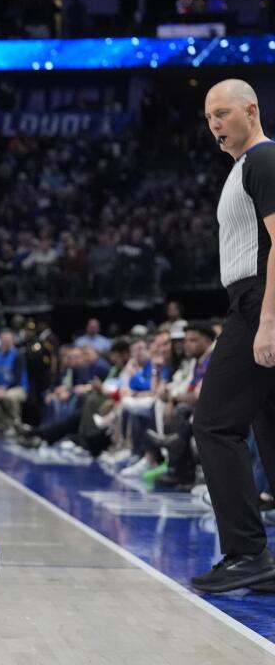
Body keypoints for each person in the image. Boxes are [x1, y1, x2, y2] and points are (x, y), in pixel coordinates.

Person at [191, 78, 275, 592]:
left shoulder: (264, 161)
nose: (215, 125)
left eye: (223, 113)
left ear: (252, 110)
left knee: (214, 424)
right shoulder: (246, 168)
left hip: (258, 304)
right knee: (269, 435)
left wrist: (267, 320)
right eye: (208, 118)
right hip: (254, 303)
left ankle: (247, 552)